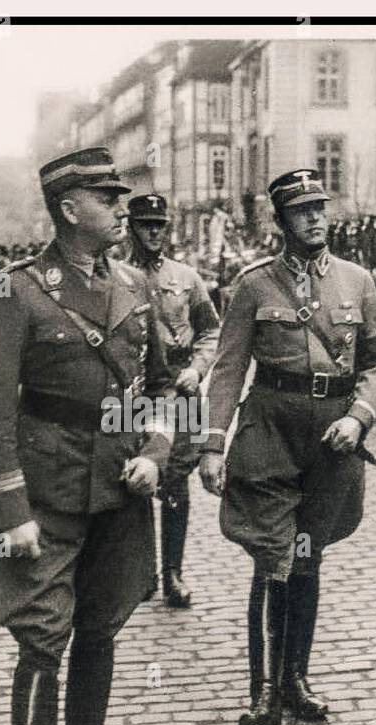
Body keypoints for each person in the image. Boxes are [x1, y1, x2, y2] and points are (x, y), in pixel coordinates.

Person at [0, 147, 173, 725]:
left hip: (120, 488)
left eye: (120, 197)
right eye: (107, 198)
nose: (122, 207)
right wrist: (11, 514)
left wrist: (157, 452)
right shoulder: (19, 290)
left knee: (101, 627)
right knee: (41, 639)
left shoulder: (137, 287)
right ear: (68, 209)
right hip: (49, 497)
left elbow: (166, 387)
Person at [199, 168, 376, 725]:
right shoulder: (254, 286)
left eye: (319, 207)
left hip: (332, 443)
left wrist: (359, 419)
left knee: (306, 558)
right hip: (270, 439)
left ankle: (295, 679)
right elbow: (229, 367)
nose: (314, 218)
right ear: (281, 222)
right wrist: (214, 445)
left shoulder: (358, 282)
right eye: (301, 211)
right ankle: (263, 692)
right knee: (272, 557)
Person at [127, 193, 221, 608]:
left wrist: (198, 369)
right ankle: (141, 571)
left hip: (179, 389)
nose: (153, 231)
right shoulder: (115, 276)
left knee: (177, 482)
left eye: (159, 224)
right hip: (135, 394)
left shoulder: (187, 278)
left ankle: (173, 573)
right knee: (136, 480)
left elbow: (211, 331)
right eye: (146, 224)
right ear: (130, 227)